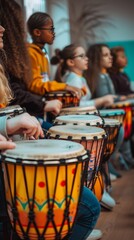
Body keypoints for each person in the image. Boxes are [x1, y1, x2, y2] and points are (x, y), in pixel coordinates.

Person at [1, 1, 63, 130]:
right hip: (24, 114)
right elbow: (26, 88)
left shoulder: (37, 54)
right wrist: (43, 104)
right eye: (50, 29)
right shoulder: (28, 53)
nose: (53, 33)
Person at [86, 43, 134, 169]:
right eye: (106, 55)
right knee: (120, 130)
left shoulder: (105, 75)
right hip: (100, 116)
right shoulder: (99, 77)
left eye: (110, 55)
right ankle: (111, 162)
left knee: (124, 130)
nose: (110, 58)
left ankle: (120, 160)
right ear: (97, 58)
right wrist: (121, 97)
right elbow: (107, 98)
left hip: (106, 114)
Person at [26, 12, 82, 98]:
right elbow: (34, 85)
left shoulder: (43, 52)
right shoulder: (30, 53)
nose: (53, 33)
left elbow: (45, 82)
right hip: (35, 103)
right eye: (50, 30)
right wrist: (64, 86)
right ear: (37, 32)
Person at [51, 43, 116, 108]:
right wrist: (102, 100)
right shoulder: (74, 80)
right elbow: (75, 105)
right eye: (81, 56)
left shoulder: (77, 77)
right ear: (71, 62)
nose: (87, 58)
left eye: (85, 55)